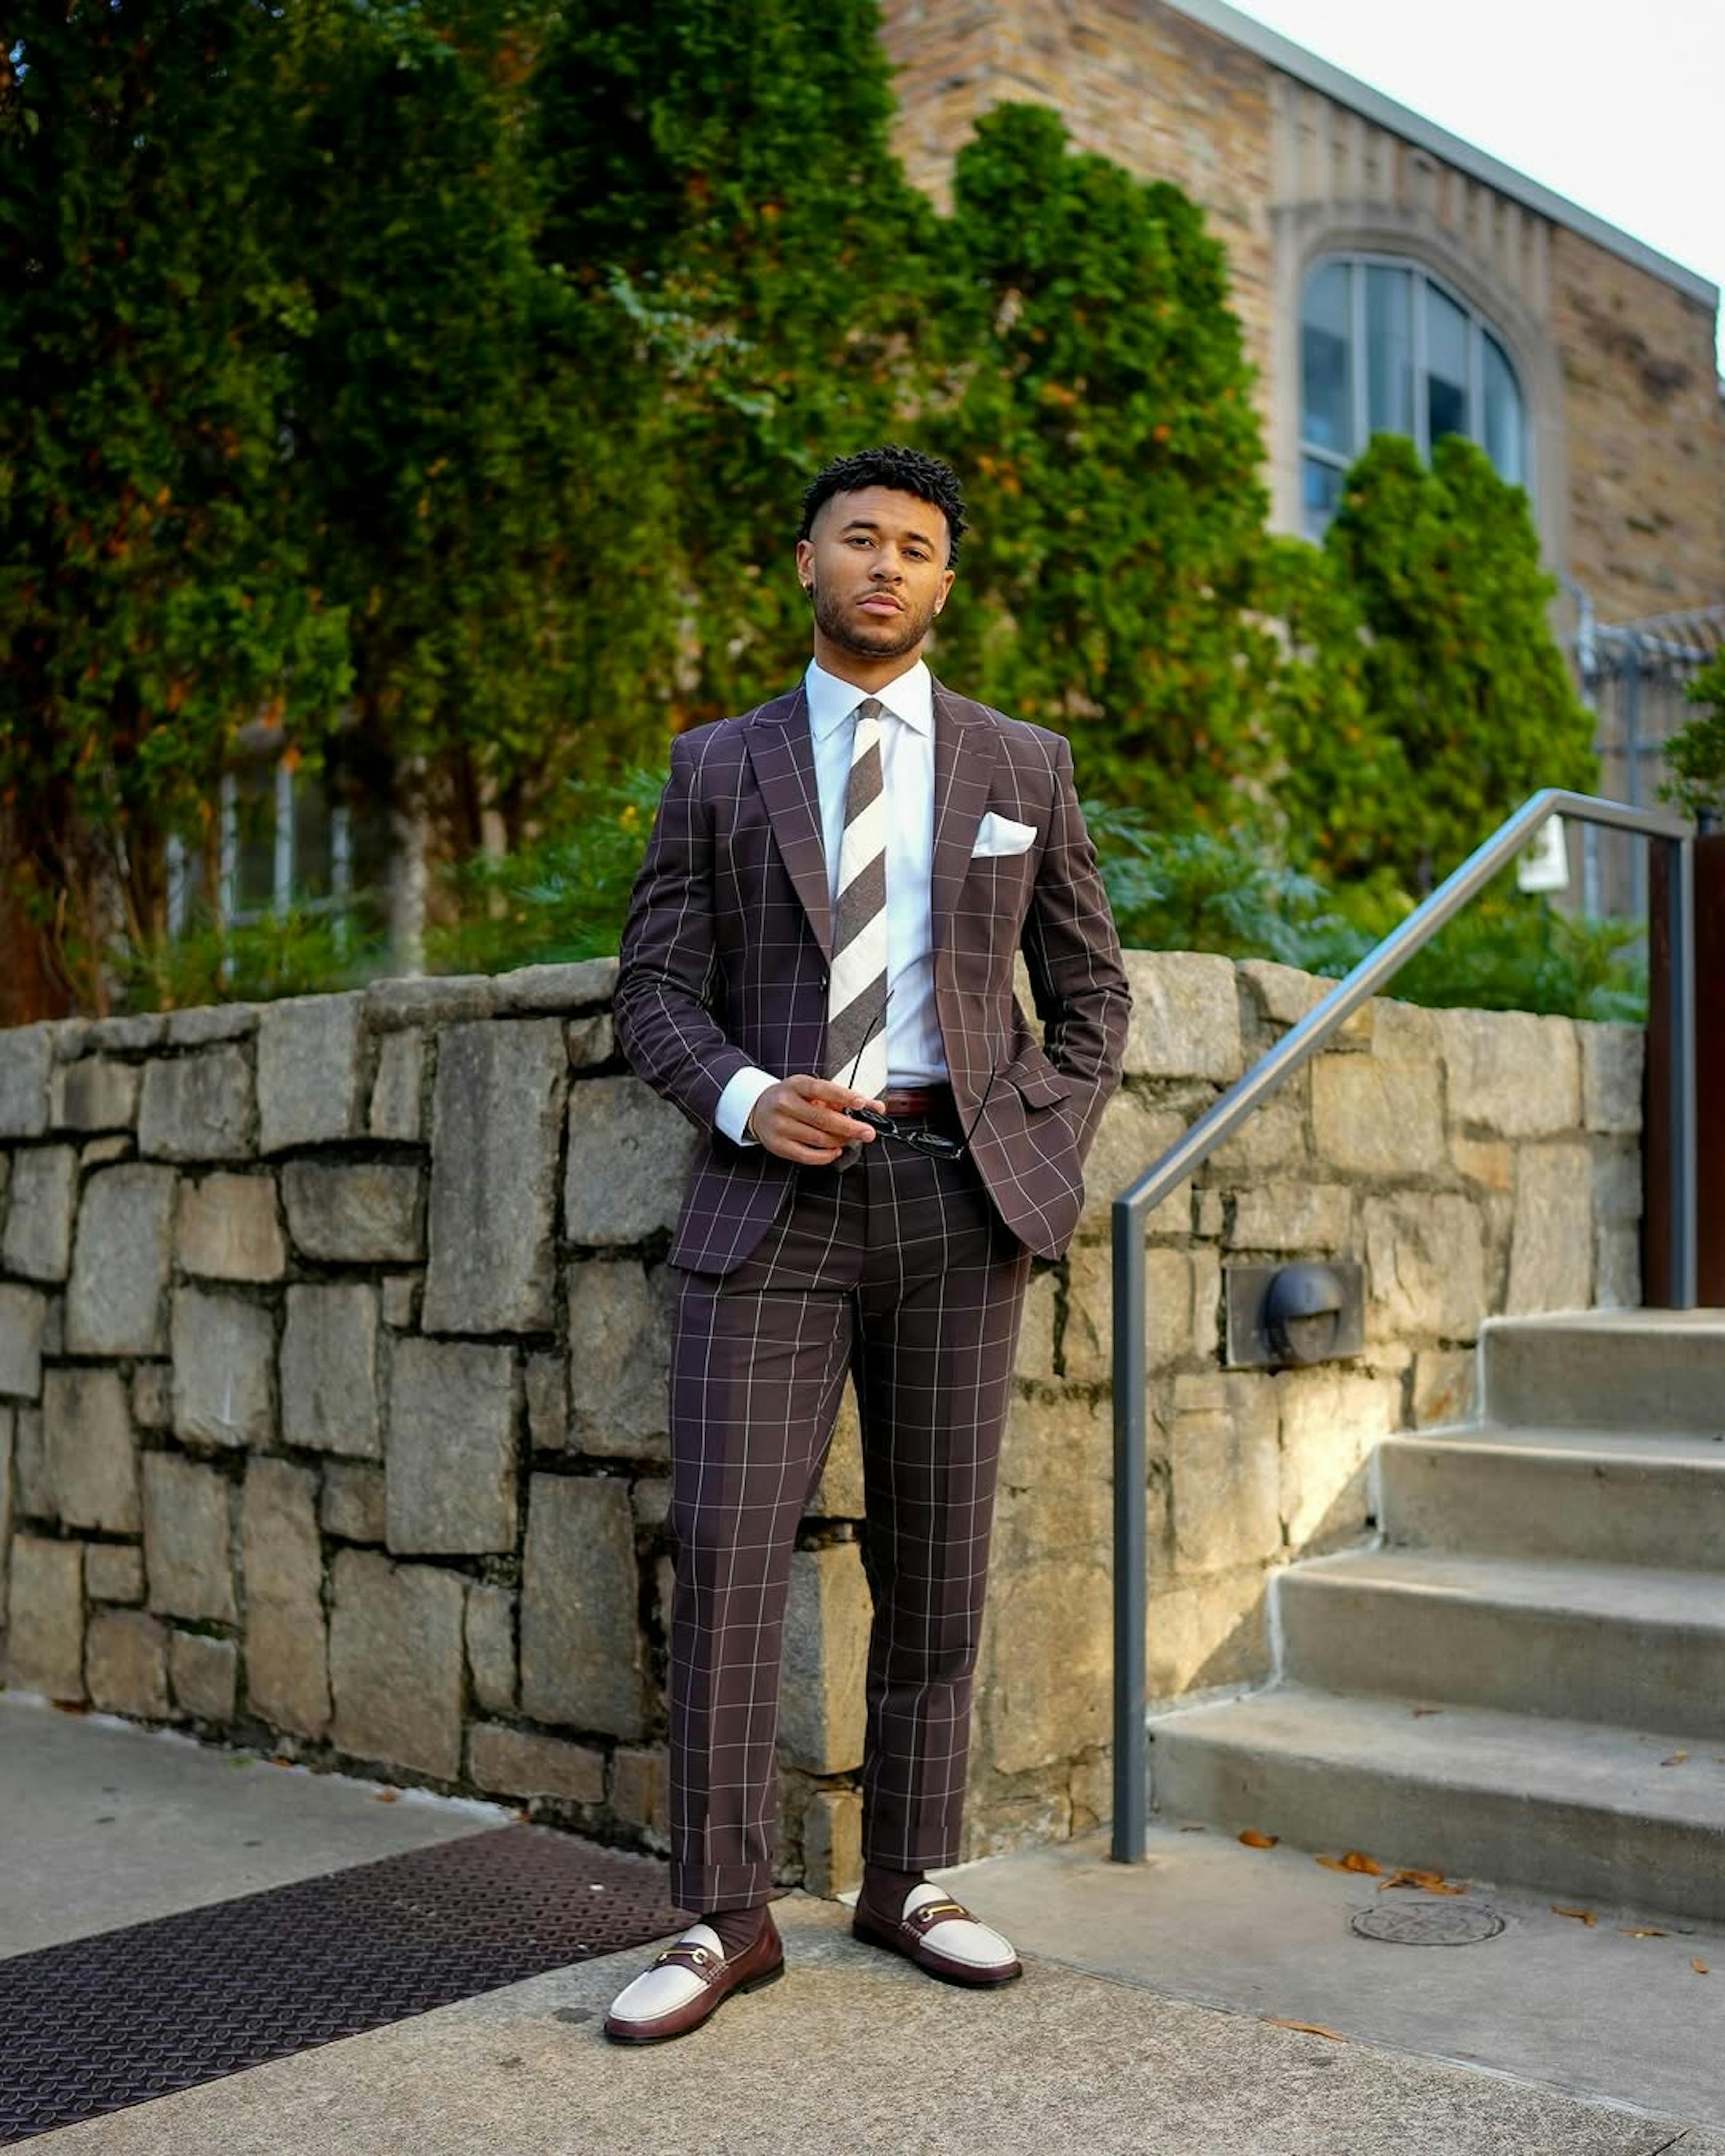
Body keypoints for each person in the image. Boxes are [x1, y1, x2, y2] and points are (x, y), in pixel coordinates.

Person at [606, 445, 1130, 2043]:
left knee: (939, 1563)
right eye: (859, 540)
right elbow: (651, 992)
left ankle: (910, 1876)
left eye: (916, 546)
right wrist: (752, 1098)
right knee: (731, 1561)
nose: (886, 565)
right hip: (771, 1203)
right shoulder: (718, 763)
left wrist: (1013, 1141)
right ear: (806, 562)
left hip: (952, 1207)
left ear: (945, 582)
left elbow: (1092, 998)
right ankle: (720, 1917)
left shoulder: (1023, 764)